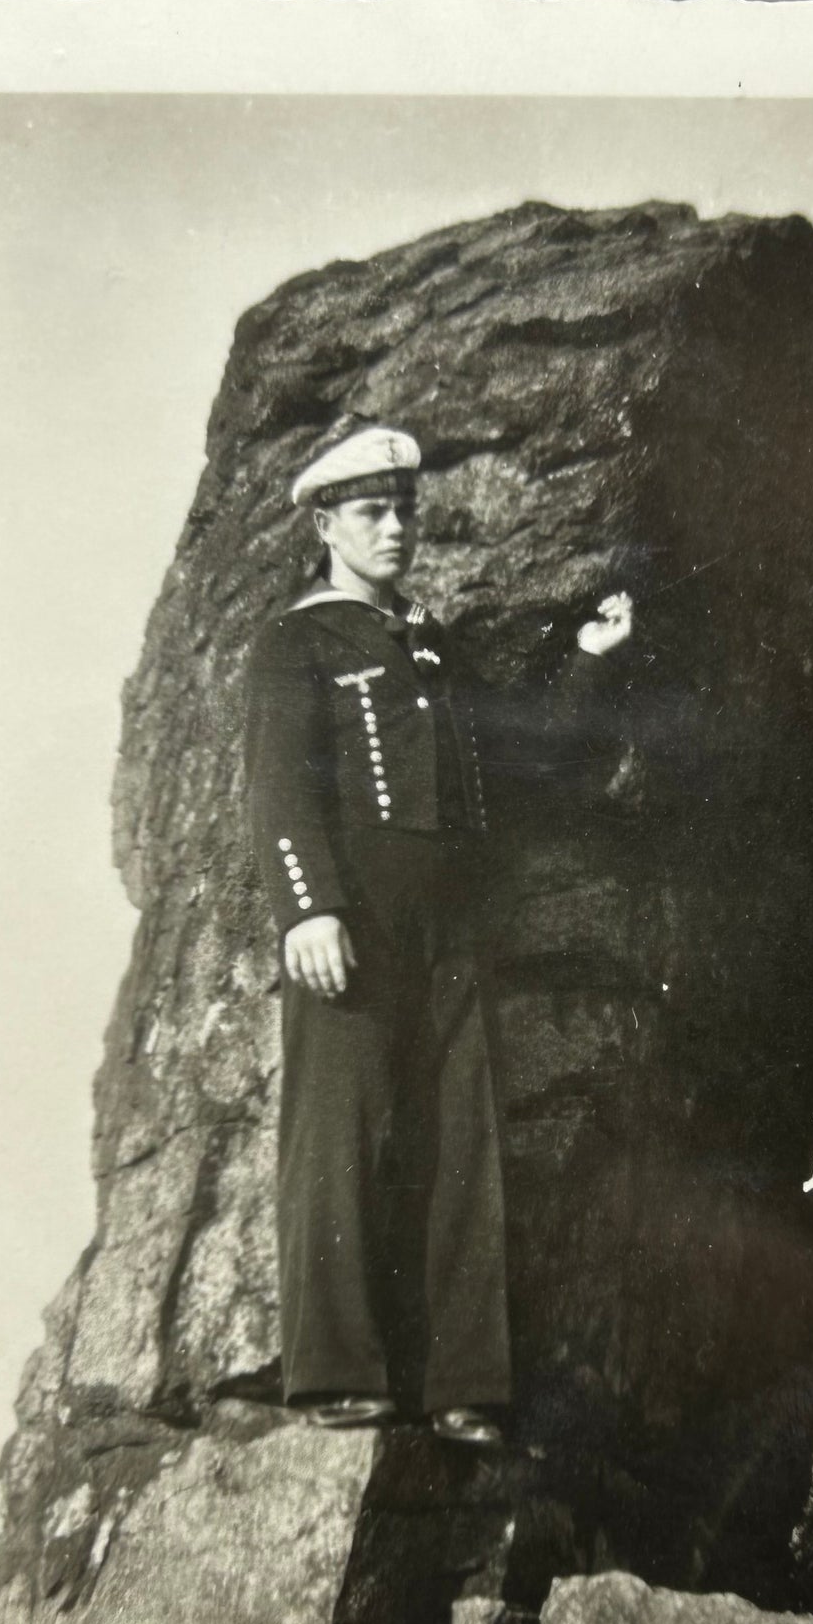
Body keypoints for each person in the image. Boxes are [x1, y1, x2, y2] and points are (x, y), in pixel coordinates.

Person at [244, 420, 631, 1447]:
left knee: (463, 1149)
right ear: (326, 524)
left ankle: (468, 1383)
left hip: (452, 932)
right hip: (354, 926)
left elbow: (516, 767)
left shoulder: (430, 646)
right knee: (337, 1138)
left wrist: (590, 663)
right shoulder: (297, 643)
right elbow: (279, 790)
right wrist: (308, 906)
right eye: (372, 512)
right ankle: (333, 1372)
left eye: (405, 511)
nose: (395, 528)